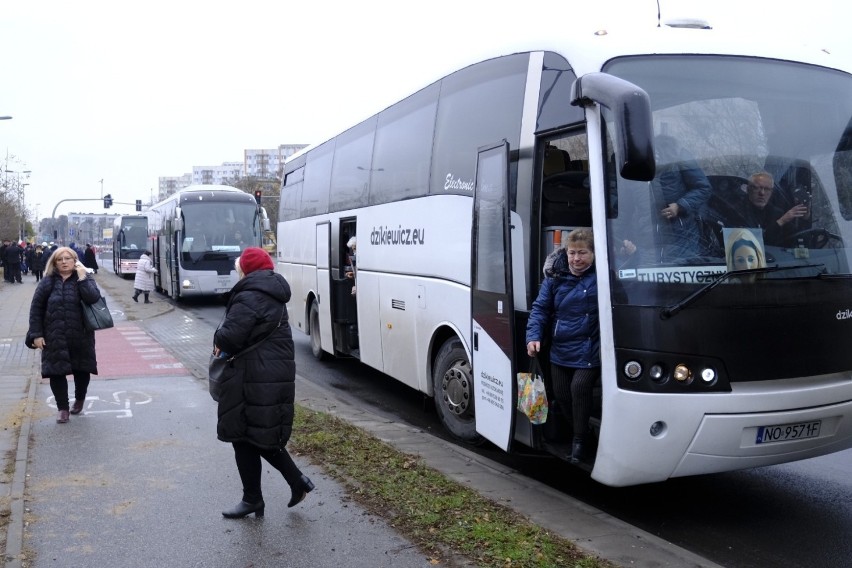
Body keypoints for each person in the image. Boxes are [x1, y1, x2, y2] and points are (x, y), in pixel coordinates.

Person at [213, 247, 314, 518]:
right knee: (253, 435)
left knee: (245, 435)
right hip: (268, 374)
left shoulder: (249, 295)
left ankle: (255, 498)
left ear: (245, 270)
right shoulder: (271, 292)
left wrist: (218, 335)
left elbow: (230, 337)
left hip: (253, 376)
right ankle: (291, 484)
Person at [525, 228, 600, 465]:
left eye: (583, 253)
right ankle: (585, 432)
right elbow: (540, 309)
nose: (576, 259)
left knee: (579, 388)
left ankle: (579, 442)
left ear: (594, 253)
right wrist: (533, 336)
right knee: (561, 393)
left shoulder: (604, 276)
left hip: (591, 347)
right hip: (561, 347)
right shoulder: (555, 277)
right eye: (572, 253)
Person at [25, 247, 101, 423]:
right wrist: (36, 334)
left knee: (82, 370)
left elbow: (93, 298)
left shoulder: (84, 278)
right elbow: (36, 309)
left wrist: (83, 277)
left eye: (68, 258)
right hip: (54, 335)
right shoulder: (47, 282)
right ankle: (62, 409)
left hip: (81, 335)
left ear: (75, 261)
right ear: (54, 262)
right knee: (56, 371)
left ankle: (80, 399)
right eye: (60, 259)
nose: (64, 262)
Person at [648, 135, 713, 261]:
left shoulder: (680, 157)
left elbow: (704, 188)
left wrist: (680, 206)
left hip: (682, 232)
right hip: (654, 233)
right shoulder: (640, 163)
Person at [735, 171, 810, 247]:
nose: (762, 193)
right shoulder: (736, 211)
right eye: (757, 188)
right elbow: (753, 245)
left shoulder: (776, 213)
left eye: (767, 189)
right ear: (748, 189)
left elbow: (795, 238)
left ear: (771, 192)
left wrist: (804, 218)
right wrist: (781, 221)